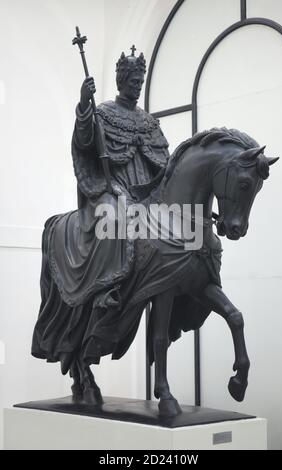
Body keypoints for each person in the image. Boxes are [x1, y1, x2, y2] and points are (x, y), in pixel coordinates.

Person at [31, 48, 170, 397]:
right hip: (111, 189)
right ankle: (108, 288)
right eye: (132, 81)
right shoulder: (104, 112)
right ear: (122, 80)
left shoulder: (149, 122)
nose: (137, 86)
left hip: (146, 193)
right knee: (115, 216)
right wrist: (83, 106)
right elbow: (84, 141)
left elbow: (162, 162)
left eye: (141, 81)